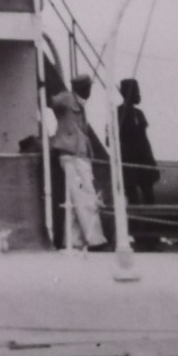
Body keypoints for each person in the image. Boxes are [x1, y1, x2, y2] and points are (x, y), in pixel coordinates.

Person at [49, 75, 109, 252]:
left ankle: (74, 240)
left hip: (79, 157)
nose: (89, 92)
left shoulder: (80, 107)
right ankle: (95, 240)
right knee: (86, 198)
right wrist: (69, 95)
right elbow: (55, 102)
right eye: (87, 88)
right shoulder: (66, 102)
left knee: (76, 202)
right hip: (73, 157)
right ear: (80, 88)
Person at [117, 78, 162, 249]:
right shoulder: (119, 113)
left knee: (149, 197)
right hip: (129, 161)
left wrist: (151, 162)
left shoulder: (139, 114)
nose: (138, 95)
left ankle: (152, 235)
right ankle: (138, 236)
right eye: (136, 91)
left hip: (143, 160)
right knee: (134, 199)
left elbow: (144, 139)